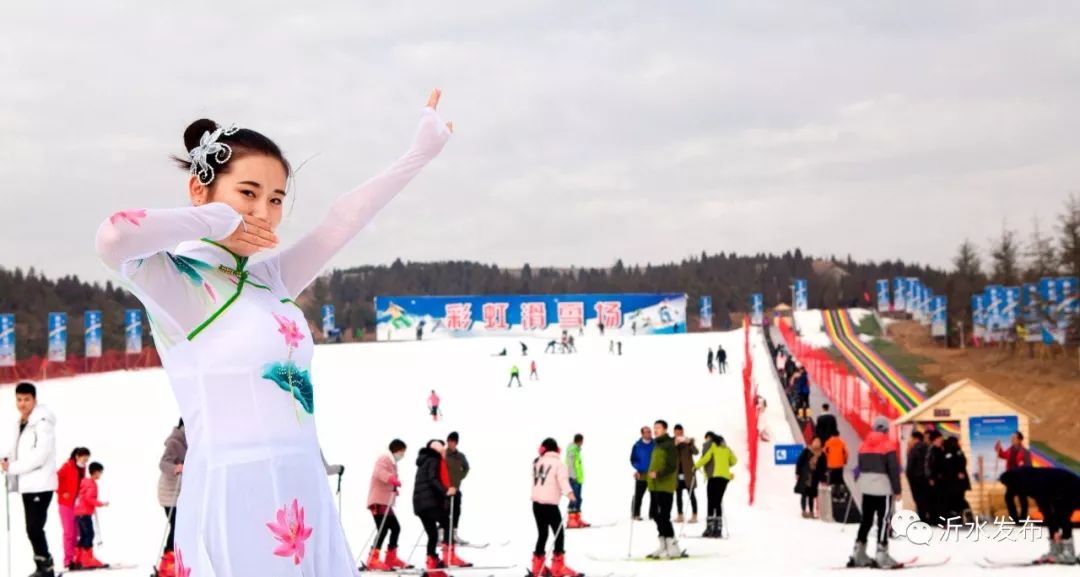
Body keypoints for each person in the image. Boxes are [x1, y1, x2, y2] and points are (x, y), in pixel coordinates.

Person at [94, 90, 451, 575]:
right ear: (200, 190)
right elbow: (114, 235)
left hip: (303, 484)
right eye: (248, 193)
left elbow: (341, 220)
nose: (263, 211)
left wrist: (418, 155)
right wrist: (218, 221)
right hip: (235, 492)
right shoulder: (179, 283)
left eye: (276, 198)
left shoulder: (269, 280)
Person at [2, 381, 58, 577]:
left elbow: (40, 455)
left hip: (40, 483)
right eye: (19, 399)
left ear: (35, 400)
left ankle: (46, 567)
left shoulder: (41, 423)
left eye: (26, 399)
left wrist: (13, 468)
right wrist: (6, 459)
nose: (22, 403)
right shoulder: (21, 422)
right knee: (32, 528)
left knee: (34, 527)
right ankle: (42, 564)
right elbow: (16, 449)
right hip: (28, 484)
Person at [847, 417, 902, 569]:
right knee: (884, 520)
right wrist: (897, 490)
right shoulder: (888, 445)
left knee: (866, 519)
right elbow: (893, 470)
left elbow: (860, 467)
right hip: (883, 488)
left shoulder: (863, 445)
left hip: (866, 487)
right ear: (885, 429)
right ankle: (881, 553)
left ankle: (859, 552)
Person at [1000, 466, 1080, 564]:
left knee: (1062, 517)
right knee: (1057, 518)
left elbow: (1047, 510)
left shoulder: (1033, 483)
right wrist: (1016, 519)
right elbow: (1009, 498)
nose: (1008, 488)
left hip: (1072, 487)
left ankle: (1068, 554)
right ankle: (1056, 552)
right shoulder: (1019, 480)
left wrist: (1054, 530)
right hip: (1057, 490)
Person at [529, 438, 582, 577]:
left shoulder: (537, 462)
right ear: (556, 449)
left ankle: (537, 567)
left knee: (543, 534)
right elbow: (563, 481)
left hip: (536, 504)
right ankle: (558, 568)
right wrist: (570, 494)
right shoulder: (559, 464)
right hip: (550, 505)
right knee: (559, 534)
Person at [365, 439, 411, 571]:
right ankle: (373, 559)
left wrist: (394, 488)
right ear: (396, 450)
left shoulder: (392, 463)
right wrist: (392, 479)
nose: (402, 455)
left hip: (386, 503)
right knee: (383, 529)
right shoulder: (384, 458)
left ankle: (391, 557)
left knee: (395, 528)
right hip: (378, 502)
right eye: (402, 452)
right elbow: (379, 473)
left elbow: (388, 480)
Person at [413, 440, 456, 577]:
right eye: (441, 447)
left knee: (432, 535)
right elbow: (433, 479)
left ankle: (432, 565)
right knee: (447, 523)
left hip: (419, 505)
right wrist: (446, 491)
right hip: (428, 503)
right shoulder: (433, 459)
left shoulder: (423, 460)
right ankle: (447, 556)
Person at [647, 420, 683, 559]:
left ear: (665, 429)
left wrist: (659, 474)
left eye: (658, 428)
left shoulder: (669, 445)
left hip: (665, 485)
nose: (655, 430)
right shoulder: (657, 445)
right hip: (654, 485)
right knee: (655, 514)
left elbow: (672, 466)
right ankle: (663, 544)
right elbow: (654, 464)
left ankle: (673, 546)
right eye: (654, 427)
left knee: (664, 515)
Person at [157, 420, 187, 577]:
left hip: (178, 492)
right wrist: (176, 468)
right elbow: (163, 463)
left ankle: (173, 561)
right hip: (169, 493)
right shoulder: (175, 441)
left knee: (179, 527)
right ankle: (167, 564)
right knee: (175, 527)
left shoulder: (190, 440)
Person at [694, 432, 736, 538]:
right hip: (725, 478)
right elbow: (734, 461)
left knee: (711, 501)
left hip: (714, 476)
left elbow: (706, 458)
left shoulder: (713, 446)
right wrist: (726, 464)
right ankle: (718, 530)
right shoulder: (727, 448)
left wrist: (696, 466)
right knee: (718, 501)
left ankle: (709, 528)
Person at [57, 447, 91, 571]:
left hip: (77, 504)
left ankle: (75, 559)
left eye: (87, 460)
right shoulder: (67, 466)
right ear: (77, 456)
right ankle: (68, 561)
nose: (85, 461)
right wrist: (62, 492)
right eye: (84, 458)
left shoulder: (82, 468)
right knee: (69, 532)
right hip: (66, 503)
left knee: (76, 532)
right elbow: (55, 480)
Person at [74, 462, 109, 569]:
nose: (101, 474)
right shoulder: (92, 484)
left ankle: (78, 558)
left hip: (78, 512)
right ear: (95, 472)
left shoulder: (84, 481)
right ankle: (88, 559)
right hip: (84, 513)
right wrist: (101, 504)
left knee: (84, 535)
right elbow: (89, 498)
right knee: (89, 534)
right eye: (100, 472)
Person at [995, 431, 1033, 521]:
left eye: (1014, 438)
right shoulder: (1010, 450)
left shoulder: (1025, 452)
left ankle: (1023, 518)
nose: (1012, 440)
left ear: (1019, 440)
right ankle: (1014, 517)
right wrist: (998, 447)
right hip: (1011, 478)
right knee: (1008, 497)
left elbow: (1028, 466)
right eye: (1011, 438)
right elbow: (1002, 455)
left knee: (1022, 498)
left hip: (1021, 479)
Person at [445, 431, 472, 556]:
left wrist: (459, 477)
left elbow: (466, 468)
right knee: (444, 511)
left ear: (456, 443)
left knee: (456, 511)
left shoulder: (460, 456)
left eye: (452, 441)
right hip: (444, 488)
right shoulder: (444, 454)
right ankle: (442, 534)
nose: (450, 443)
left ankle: (454, 534)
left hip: (456, 488)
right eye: (449, 441)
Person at [672, 425, 699, 524]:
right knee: (678, 496)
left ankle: (694, 515)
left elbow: (696, 452)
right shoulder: (671, 442)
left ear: (683, 432)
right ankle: (680, 515)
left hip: (688, 474)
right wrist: (675, 444)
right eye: (677, 432)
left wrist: (690, 443)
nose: (678, 434)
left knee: (691, 495)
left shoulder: (689, 441)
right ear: (674, 432)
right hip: (676, 474)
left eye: (680, 432)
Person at [795, 438, 827, 519]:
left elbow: (800, 462)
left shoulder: (809, 451)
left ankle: (806, 511)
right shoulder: (819, 453)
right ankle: (808, 512)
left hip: (808, 476)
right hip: (810, 477)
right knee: (809, 495)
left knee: (806, 495)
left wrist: (798, 473)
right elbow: (823, 468)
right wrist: (822, 478)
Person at [942, 437, 971, 521]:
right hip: (955, 482)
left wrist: (960, 471)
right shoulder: (951, 450)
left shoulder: (954, 449)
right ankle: (959, 518)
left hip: (957, 482)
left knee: (958, 500)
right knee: (957, 500)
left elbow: (961, 461)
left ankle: (963, 517)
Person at [904, 431, 930, 523]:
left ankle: (922, 518)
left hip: (915, 479)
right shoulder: (927, 448)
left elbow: (910, 466)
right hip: (925, 478)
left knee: (919, 499)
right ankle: (926, 517)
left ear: (916, 439)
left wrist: (908, 476)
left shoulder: (915, 449)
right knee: (925, 499)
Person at [629, 426, 654, 520]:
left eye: (650, 432)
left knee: (654, 495)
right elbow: (633, 459)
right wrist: (638, 468)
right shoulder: (637, 445)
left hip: (653, 473)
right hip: (642, 473)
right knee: (638, 494)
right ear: (642, 434)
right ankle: (635, 514)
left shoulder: (655, 444)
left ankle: (653, 514)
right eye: (646, 432)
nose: (649, 433)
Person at [565, 434, 590, 528]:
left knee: (579, 498)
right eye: (582, 441)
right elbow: (570, 464)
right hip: (573, 478)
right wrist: (573, 476)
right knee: (574, 498)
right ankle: (571, 520)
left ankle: (577, 518)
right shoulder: (572, 450)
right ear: (579, 441)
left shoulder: (577, 450)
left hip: (578, 478)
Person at [925, 430, 946, 525]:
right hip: (935, 479)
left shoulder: (940, 449)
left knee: (940, 500)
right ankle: (936, 520)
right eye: (939, 439)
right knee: (936, 500)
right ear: (935, 439)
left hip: (941, 479)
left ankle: (939, 520)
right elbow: (928, 465)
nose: (941, 440)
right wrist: (930, 478)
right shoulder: (932, 450)